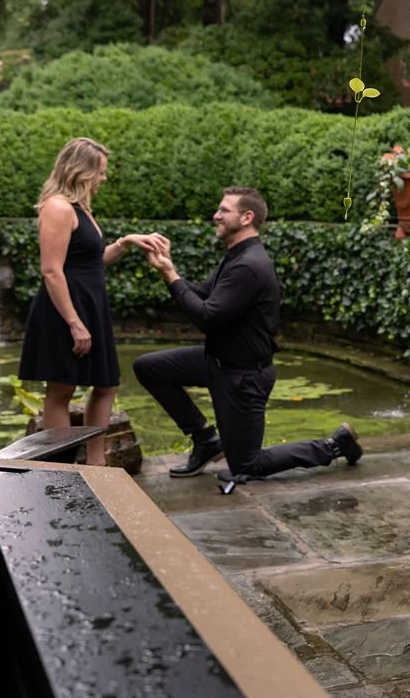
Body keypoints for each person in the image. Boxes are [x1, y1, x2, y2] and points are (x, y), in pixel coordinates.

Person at [133, 186, 361, 487]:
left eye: (224, 210)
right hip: (216, 361)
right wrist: (170, 268)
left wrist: (170, 276)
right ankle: (206, 439)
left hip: (244, 377)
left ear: (247, 217)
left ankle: (334, 445)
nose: (216, 215)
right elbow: (202, 295)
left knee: (246, 466)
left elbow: (208, 318)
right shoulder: (236, 256)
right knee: (149, 368)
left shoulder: (249, 265)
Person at [18, 137, 158, 467]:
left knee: (106, 385)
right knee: (61, 390)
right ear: (79, 170)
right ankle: (61, 468)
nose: (104, 178)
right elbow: (51, 271)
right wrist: (74, 322)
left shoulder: (80, 208)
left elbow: (91, 261)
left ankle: (97, 465)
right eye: (100, 171)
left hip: (91, 307)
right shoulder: (57, 207)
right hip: (65, 310)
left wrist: (125, 242)